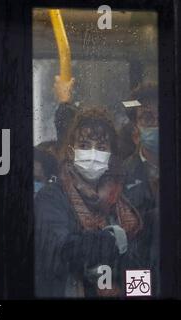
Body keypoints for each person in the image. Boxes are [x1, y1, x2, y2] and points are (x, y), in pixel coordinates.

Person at [34, 108, 145, 298]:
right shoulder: (51, 198)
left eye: (101, 147)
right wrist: (111, 240)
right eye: (84, 145)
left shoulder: (122, 201)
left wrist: (131, 294)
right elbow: (59, 251)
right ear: (71, 151)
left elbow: (139, 266)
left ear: (111, 156)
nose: (92, 154)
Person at [122, 82, 159, 292]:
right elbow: (128, 248)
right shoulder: (120, 176)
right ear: (135, 128)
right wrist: (140, 292)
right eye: (147, 118)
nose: (156, 124)